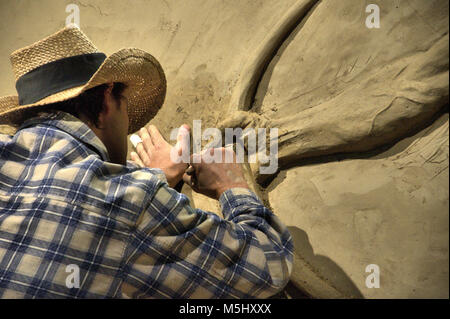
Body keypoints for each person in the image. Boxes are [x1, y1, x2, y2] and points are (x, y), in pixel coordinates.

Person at [0, 25, 293, 298]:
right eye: (125, 107)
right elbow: (268, 266)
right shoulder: (133, 200)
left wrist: (151, 183)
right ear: (105, 102)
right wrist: (232, 185)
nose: (127, 128)